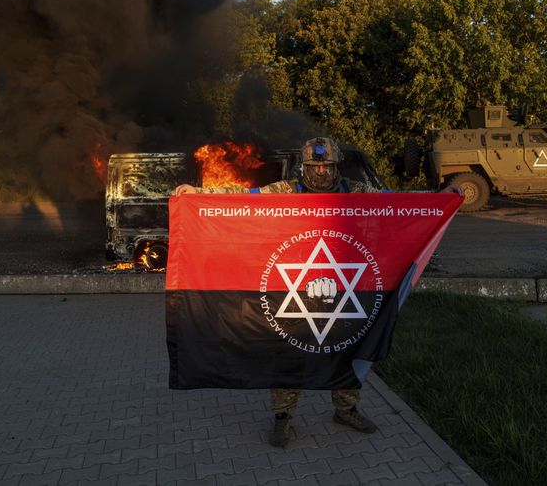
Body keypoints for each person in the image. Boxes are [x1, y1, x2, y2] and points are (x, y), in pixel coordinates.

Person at [175, 137, 462, 448]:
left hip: (342, 283)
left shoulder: (354, 191)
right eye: (315, 166)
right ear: (305, 167)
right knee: (288, 352)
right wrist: (199, 194)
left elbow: (398, 202)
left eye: (327, 166)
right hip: (294, 285)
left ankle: (346, 408)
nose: (322, 172)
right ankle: (283, 418)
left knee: (347, 347)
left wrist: (440, 197)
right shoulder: (286, 191)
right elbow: (244, 198)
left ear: (336, 166)